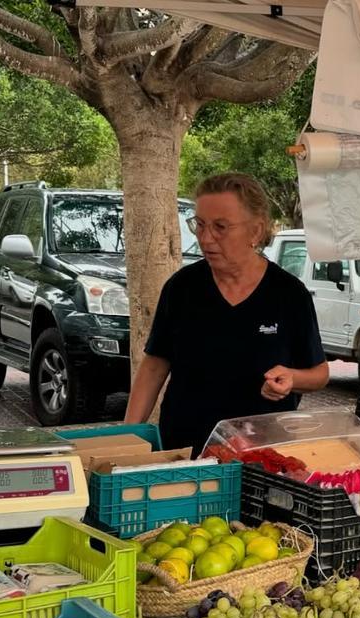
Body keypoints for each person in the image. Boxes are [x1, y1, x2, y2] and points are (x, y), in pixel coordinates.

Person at [125, 173, 329, 453]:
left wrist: (293, 378)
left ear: (255, 231)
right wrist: (126, 438)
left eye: (220, 227)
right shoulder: (181, 287)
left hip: (261, 454)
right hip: (185, 452)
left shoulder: (289, 294)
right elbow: (154, 366)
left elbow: (319, 373)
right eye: (199, 225)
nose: (205, 238)